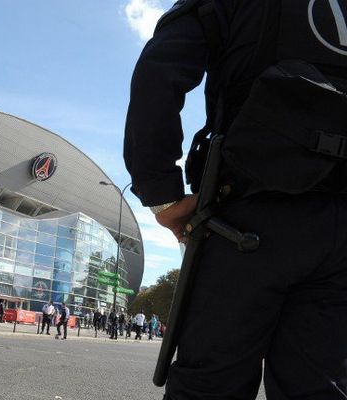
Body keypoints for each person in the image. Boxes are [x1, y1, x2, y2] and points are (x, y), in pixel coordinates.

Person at [124, 1, 347, 397]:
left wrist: (163, 194)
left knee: (210, 386)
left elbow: (158, 72)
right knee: (323, 387)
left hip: (246, 220)